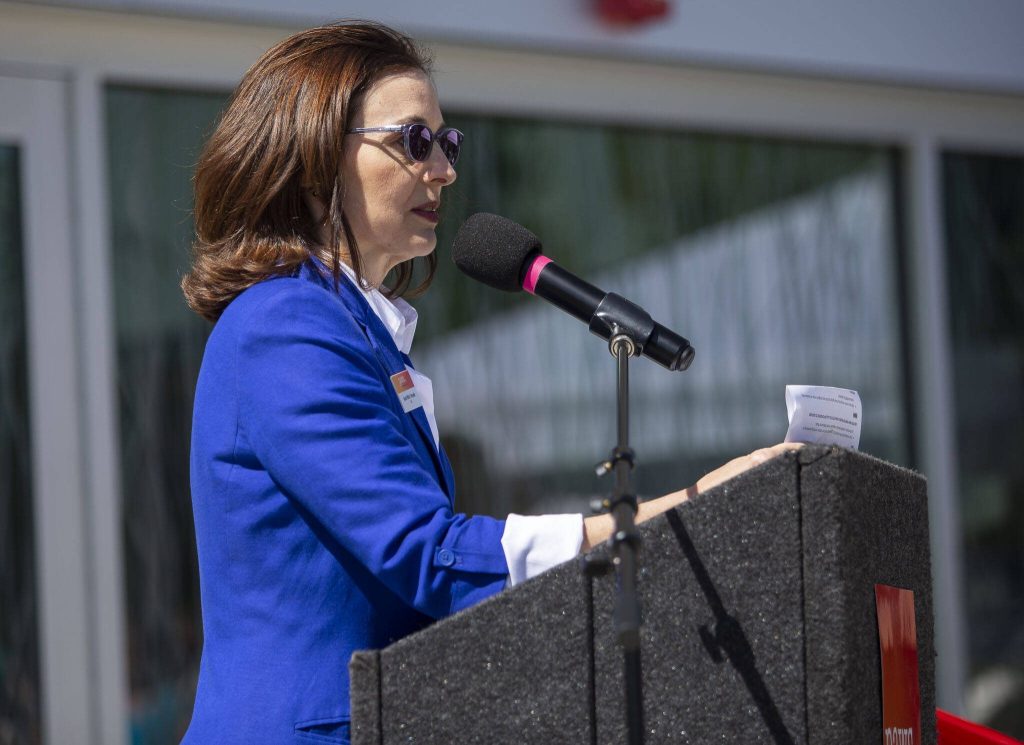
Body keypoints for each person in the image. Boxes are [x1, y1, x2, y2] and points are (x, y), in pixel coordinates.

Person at [179, 21, 799, 745]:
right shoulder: (286, 323)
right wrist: (690, 506)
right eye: (415, 141)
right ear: (316, 159)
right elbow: (429, 554)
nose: (443, 170)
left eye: (449, 143)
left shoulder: (353, 329)